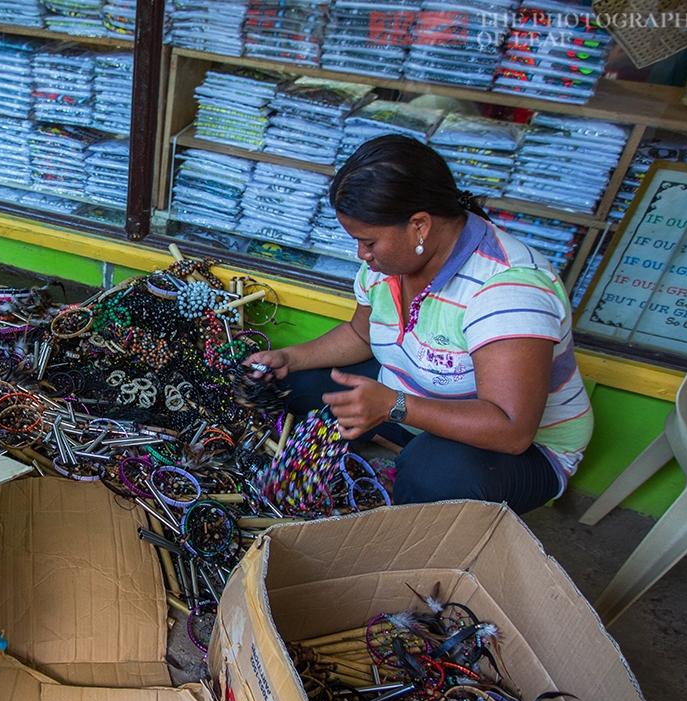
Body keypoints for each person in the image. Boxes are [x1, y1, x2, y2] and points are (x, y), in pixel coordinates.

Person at [245, 134, 592, 513]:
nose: (362, 255)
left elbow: (512, 430)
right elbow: (362, 334)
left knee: (433, 471)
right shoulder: (388, 266)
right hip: (417, 399)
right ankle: (405, 438)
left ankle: (417, 517)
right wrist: (290, 358)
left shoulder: (508, 289)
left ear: (420, 226)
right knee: (290, 383)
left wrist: (394, 405)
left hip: (519, 450)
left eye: (369, 242)